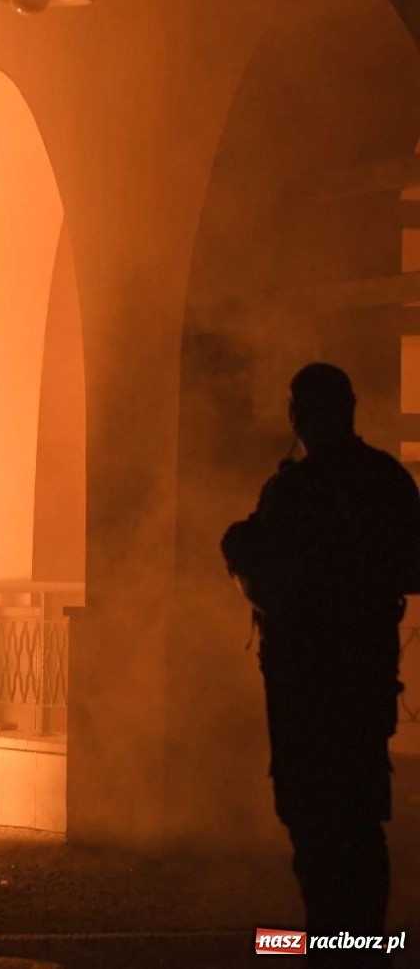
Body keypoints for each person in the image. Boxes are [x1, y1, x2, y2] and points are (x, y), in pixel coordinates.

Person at [221, 364, 420, 961]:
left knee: (311, 816)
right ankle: (358, 942)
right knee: (357, 815)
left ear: (299, 415)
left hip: (302, 680)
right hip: (361, 676)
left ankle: (332, 943)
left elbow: (256, 558)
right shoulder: (385, 479)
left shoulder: (292, 491)